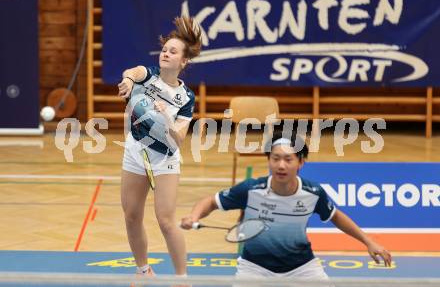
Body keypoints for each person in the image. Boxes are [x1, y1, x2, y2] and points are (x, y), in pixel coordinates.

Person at [181, 130, 392, 279]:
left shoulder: (312, 192)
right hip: (254, 267)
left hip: (301, 266)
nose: (281, 165)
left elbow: (335, 215)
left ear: (301, 162)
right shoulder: (251, 189)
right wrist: (194, 217)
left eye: (288, 159)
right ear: (269, 160)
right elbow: (211, 202)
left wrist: (368, 241)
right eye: (275, 158)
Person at [117, 16, 202, 277]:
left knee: (165, 221)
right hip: (135, 150)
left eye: (173, 51)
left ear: (183, 61)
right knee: (131, 216)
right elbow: (131, 73)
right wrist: (129, 81)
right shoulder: (147, 76)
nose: (166, 54)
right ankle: (143, 271)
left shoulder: (186, 98)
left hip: (165, 157)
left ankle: (182, 278)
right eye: (165, 50)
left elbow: (178, 140)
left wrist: (166, 116)